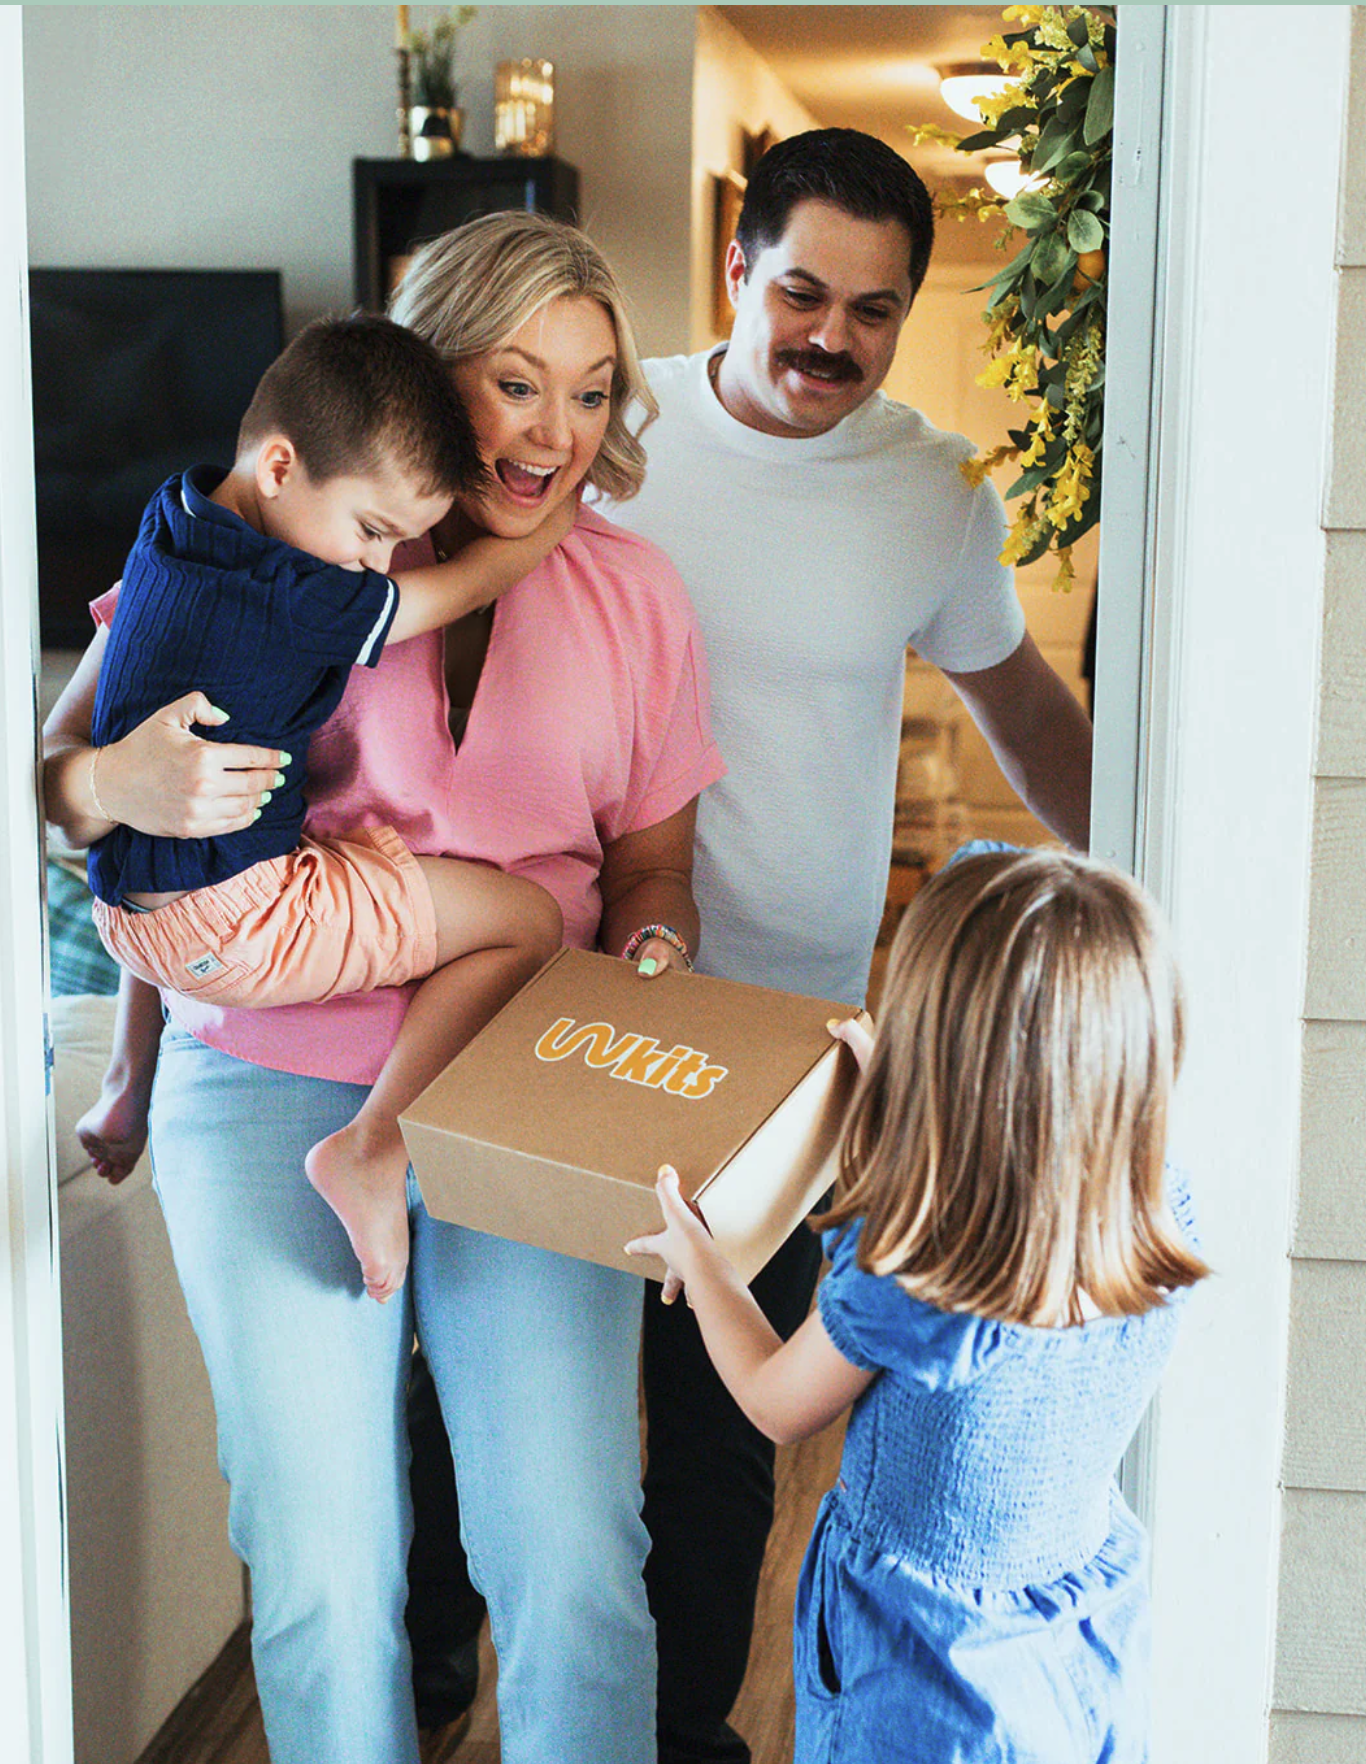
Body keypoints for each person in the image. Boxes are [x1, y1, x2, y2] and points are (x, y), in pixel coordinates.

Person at [43, 209, 724, 1764]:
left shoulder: (634, 597)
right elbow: (62, 794)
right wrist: (122, 781)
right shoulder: (290, 553)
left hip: (521, 1095)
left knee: (569, 1566)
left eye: (593, 389)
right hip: (265, 1089)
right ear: (428, 373)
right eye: (516, 380)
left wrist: (656, 958)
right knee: (320, 1578)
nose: (556, 431)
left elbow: (652, 871)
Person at [598, 126, 1098, 1763]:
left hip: (788, 1034)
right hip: (573, 983)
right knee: (522, 1370)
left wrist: (1142, 888)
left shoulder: (933, 488)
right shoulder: (620, 434)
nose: (831, 336)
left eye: (872, 310)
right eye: (801, 290)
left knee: (723, 1424)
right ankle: (478, 1684)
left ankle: (683, 1730)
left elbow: (1021, 706)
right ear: (736, 269)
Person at [627, 847, 1207, 1763]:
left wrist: (707, 1266)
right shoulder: (1156, 1204)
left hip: (927, 1668)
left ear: (945, 1064)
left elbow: (778, 1404)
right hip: (1080, 1625)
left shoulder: (923, 1259)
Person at [80, 313, 566, 1304]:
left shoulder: (171, 521)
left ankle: (132, 1082)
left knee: (228, 821)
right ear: (277, 466)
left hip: (129, 907)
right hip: (236, 925)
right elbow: (468, 584)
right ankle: (372, 1147)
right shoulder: (299, 592)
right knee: (526, 922)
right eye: (375, 531)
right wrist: (559, 517)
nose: (380, 564)